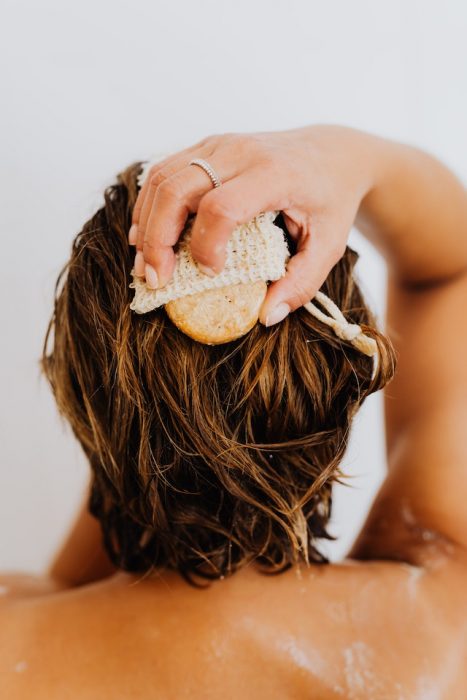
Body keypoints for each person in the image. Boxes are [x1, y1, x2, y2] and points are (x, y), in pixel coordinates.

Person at [1, 125, 466, 698]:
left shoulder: (15, 644)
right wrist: (342, 154)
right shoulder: (443, 625)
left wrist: (130, 437)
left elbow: (72, 575)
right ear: (346, 386)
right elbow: (449, 268)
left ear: (72, 392)